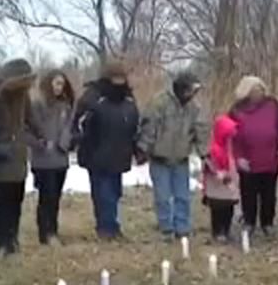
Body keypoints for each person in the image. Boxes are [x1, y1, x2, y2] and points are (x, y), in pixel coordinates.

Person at [73, 60, 139, 240]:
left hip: (120, 153)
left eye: (122, 78)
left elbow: (134, 125)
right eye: (116, 78)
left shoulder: (128, 99)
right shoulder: (93, 97)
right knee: (103, 194)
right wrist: (83, 141)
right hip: (96, 153)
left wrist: (136, 149)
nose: (119, 82)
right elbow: (78, 123)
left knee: (115, 193)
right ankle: (106, 229)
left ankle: (112, 226)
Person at [139, 71, 207, 240]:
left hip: (181, 158)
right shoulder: (159, 103)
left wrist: (204, 153)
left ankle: (182, 227)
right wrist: (143, 149)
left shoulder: (194, 108)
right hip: (159, 157)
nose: (191, 95)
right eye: (189, 91)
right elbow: (149, 127)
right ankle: (166, 227)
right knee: (162, 196)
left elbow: (200, 131)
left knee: (182, 195)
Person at [230, 75, 278, 237]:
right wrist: (239, 157)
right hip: (248, 160)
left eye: (261, 90)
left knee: (269, 193)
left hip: (270, 158)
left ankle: (267, 223)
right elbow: (233, 136)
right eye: (255, 91)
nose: (259, 94)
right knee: (248, 192)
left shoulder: (273, 106)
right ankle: (249, 222)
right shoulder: (237, 110)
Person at [0, 58, 35, 256]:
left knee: (17, 199)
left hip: (18, 155)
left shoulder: (24, 97)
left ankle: (12, 240)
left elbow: (30, 119)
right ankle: (0, 242)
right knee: (2, 201)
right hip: (1, 155)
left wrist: (39, 136)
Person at [27, 70, 74, 245]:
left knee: (56, 197)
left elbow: (69, 127)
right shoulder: (37, 105)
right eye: (56, 83)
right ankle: (45, 233)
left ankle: (53, 230)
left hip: (61, 158)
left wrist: (65, 142)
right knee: (47, 196)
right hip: (43, 160)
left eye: (62, 84)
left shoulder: (65, 106)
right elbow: (27, 130)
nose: (59, 88)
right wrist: (40, 143)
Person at [204, 113, 241, 242]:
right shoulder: (214, 150)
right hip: (217, 188)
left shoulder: (230, 149)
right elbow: (210, 166)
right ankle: (217, 231)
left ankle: (226, 230)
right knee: (217, 211)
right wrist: (221, 176)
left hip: (228, 189)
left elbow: (233, 163)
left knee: (228, 210)